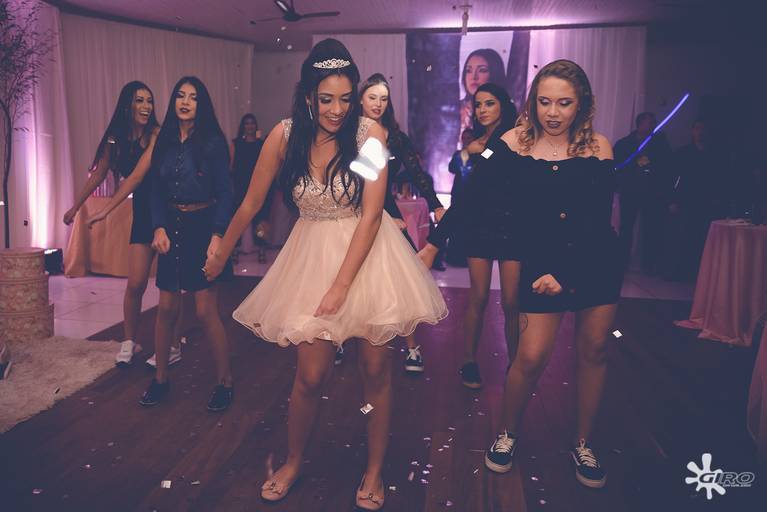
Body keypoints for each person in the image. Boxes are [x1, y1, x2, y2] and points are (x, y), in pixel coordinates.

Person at [202, 39, 447, 509]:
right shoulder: (284, 136)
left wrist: (341, 286)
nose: (337, 110)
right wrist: (222, 250)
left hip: (368, 257)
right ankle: (293, 461)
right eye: (327, 99)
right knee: (311, 375)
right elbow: (250, 201)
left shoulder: (370, 136)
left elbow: (372, 215)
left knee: (374, 370)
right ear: (309, 95)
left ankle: (374, 470)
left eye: (346, 98)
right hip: (310, 256)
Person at [424, 59, 621, 489]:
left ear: (582, 103)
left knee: (595, 351)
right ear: (532, 102)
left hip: (592, 262)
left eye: (564, 103)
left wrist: (566, 273)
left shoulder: (598, 147)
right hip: (540, 264)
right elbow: (472, 194)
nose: (553, 112)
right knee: (529, 357)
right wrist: (434, 243)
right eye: (544, 102)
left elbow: (595, 219)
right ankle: (508, 432)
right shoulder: (513, 142)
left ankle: (584, 443)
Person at [88, 77, 236, 412]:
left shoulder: (212, 142)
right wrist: (158, 227)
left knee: (205, 311)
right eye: (180, 95)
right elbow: (154, 189)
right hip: (171, 227)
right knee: (166, 308)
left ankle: (225, 382)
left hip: (203, 228)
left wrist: (218, 234)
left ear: (201, 104)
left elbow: (226, 193)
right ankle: (160, 380)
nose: (185, 102)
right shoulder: (165, 140)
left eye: (193, 97)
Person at [330, 72, 446, 375]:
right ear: (360, 100)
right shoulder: (346, 133)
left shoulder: (395, 137)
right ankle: (339, 336)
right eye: (372, 97)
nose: (378, 104)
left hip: (384, 210)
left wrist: (435, 204)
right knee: (344, 273)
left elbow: (416, 173)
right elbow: (351, 179)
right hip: (350, 210)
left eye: (383, 99)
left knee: (402, 279)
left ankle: (412, 347)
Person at [63, 81, 184, 368]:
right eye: (139, 101)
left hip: (169, 211)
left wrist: (106, 211)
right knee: (135, 283)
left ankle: (173, 346)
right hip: (144, 213)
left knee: (170, 286)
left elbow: (136, 177)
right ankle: (129, 342)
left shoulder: (156, 134)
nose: (146, 107)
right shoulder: (115, 138)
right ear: (127, 105)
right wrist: (75, 206)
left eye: (149, 101)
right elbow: (98, 174)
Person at [421, 82, 518, 390]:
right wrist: (468, 151)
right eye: (478, 104)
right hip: (479, 223)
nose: (482, 109)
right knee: (478, 297)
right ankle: (468, 360)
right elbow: (468, 184)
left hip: (511, 225)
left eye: (489, 103)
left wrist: (477, 151)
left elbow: (493, 169)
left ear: (503, 105)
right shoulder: (476, 142)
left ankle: (516, 366)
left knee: (511, 302)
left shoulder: (514, 137)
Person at [614, 112, 673, 274]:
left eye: (654, 122)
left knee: (651, 229)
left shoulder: (660, 144)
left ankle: (649, 264)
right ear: (640, 124)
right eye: (650, 122)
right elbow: (616, 166)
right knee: (626, 228)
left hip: (652, 192)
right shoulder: (625, 144)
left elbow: (667, 167)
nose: (653, 125)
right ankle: (622, 262)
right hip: (630, 191)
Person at [229, 113, 271, 264]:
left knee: (261, 220)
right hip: (240, 186)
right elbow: (230, 166)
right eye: (247, 123)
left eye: (252, 123)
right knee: (237, 219)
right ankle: (234, 251)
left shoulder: (261, 144)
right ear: (243, 126)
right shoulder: (236, 144)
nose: (250, 126)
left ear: (256, 126)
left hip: (258, 186)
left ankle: (261, 250)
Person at [444, 128, 477, 266]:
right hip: (458, 193)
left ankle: (468, 258)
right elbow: (451, 168)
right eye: (464, 138)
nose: (466, 140)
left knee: (470, 225)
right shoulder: (458, 153)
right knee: (456, 224)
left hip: (474, 194)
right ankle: (454, 257)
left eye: (469, 138)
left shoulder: (480, 152)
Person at [459, 49, 506, 140]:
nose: (474, 77)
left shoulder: (506, 111)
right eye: (468, 70)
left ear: (494, 74)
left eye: (482, 70)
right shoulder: (455, 110)